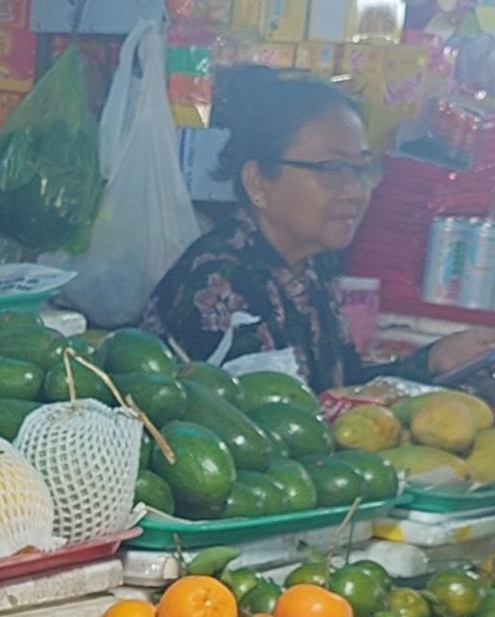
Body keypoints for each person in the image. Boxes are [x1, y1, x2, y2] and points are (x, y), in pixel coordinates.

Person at [147, 74, 383, 389]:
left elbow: (342, 391)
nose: (355, 191)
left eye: (361, 168)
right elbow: (272, 422)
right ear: (258, 182)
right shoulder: (221, 281)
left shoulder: (314, 262)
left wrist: (433, 360)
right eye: (331, 169)